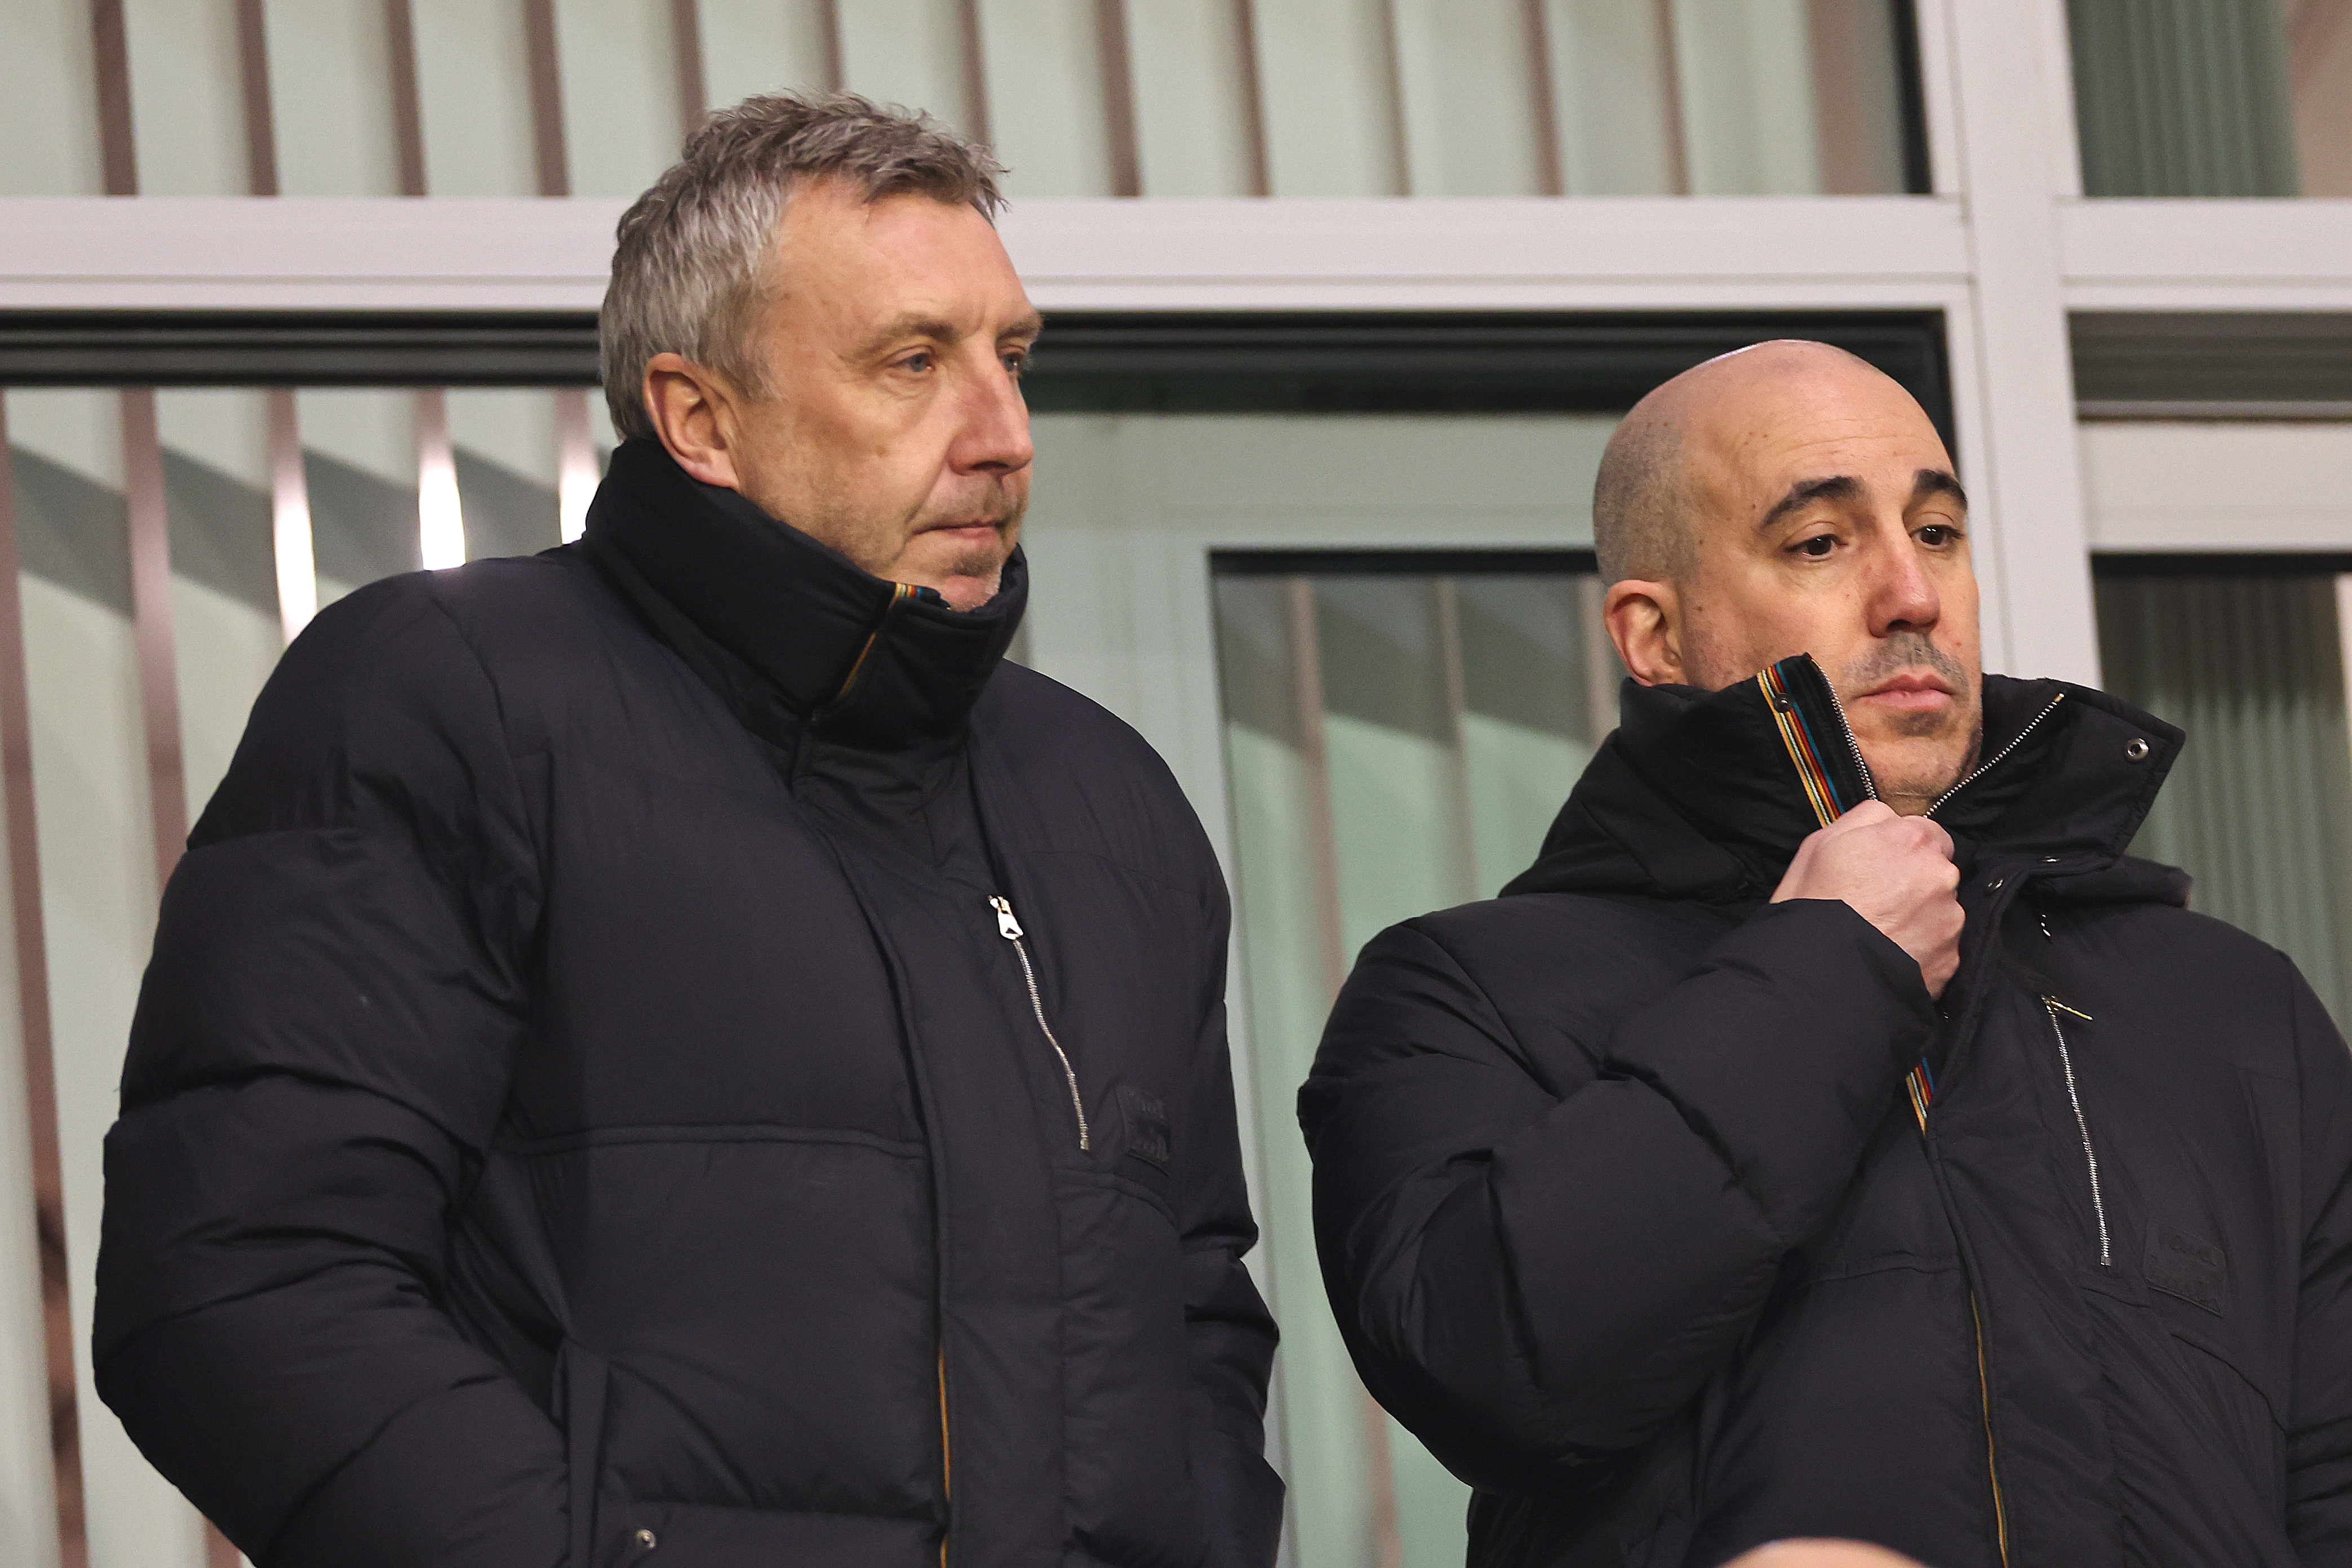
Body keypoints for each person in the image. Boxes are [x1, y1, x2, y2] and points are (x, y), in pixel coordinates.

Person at [95, 93, 1280, 1567]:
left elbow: (1192, 1308)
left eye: (1009, 356)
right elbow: (243, 1281)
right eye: (911, 363)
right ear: (700, 417)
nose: (1002, 435)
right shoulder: (453, 695)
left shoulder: (1103, 800)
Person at [1299, 340, 2352, 1567]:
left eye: (1939, 531)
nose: (1910, 595)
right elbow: (1496, 1367)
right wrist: (1827, 967)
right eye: (1820, 543)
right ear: (1652, 634)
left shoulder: (2224, 1008)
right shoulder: (1469, 991)